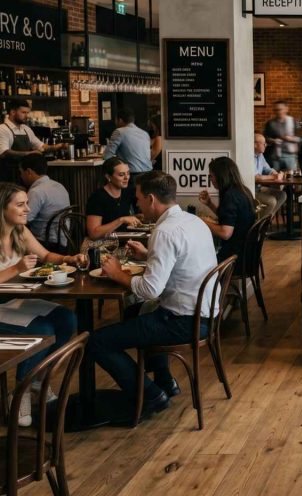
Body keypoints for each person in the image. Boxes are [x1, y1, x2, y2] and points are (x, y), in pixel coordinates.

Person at [87, 172, 220, 418]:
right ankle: (165, 381)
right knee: (133, 312)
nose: (136, 204)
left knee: (96, 341)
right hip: (207, 314)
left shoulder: (165, 231)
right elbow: (182, 260)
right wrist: (149, 255)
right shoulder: (193, 221)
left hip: (184, 322)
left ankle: (150, 396)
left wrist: (117, 274)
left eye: (138, 199)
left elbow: (151, 290)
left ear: (150, 198)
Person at [0, 182, 80, 426]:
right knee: (41, 331)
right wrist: (16, 268)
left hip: (8, 301)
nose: (27, 210)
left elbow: (45, 256)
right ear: (1, 208)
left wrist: (68, 258)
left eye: (26, 204)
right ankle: (19, 392)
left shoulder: (19, 231)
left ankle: (36, 382)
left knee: (66, 319)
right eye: (20, 205)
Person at [0, 99, 66, 183]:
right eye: (23, 112)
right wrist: (29, 153)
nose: (26, 116)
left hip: (24, 176)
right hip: (8, 177)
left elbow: (41, 146)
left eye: (27, 113)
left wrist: (58, 146)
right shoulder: (1, 129)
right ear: (12, 112)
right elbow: (4, 153)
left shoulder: (26, 129)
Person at [198, 156, 256, 262]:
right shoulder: (242, 190)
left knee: (196, 260)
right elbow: (229, 219)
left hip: (234, 259)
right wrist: (210, 204)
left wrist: (202, 222)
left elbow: (225, 233)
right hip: (249, 254)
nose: (210, 179)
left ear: (221, 176)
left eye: (211, 176)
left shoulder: (230, 196)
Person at [19, 154, 70, 252]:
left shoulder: (36, 191)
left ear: (29, 172)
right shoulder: (59, 186)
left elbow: (24, 219)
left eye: (21, 172)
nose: (21, 176)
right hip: (64, 240)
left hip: (46, 244)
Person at [86, 157, 141, 239]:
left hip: (123, 239)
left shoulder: (128, 191)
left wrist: (137, 217)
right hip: (101, 244)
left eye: (128, 173)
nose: (127, 178)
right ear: (108, 177)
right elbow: (93, 233)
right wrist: (121, 220)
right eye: (121, 175)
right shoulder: (97, 197)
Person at [103, 108, 153, 177]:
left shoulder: (119, 132)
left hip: (132, 175)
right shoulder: (145, 133)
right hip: (149, 174)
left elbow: (107, 156)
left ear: (119, 120)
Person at [253, 132, 286, 215]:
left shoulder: (260, 155)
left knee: (282, 195)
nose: (266, 145)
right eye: (263, 143)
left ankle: (267, 219)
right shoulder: (248, 156)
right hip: (250, 191)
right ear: (254, 145)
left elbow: (267, 169)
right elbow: (257, 177)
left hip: (259, 188)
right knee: (271, 201)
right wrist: (274, 176)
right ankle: (259, 225)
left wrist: (276, 173)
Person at [263, 100, 301, 172]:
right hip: (275, 156)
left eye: (280, 109)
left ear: (286, 109)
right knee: (275, 178)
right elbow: (265, 138)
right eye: (276, 110)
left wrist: (292, 139)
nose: (278, 112)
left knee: (291, 179)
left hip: (290, 156)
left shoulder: (293, 121)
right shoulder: (270, 123)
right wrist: (273, 140)